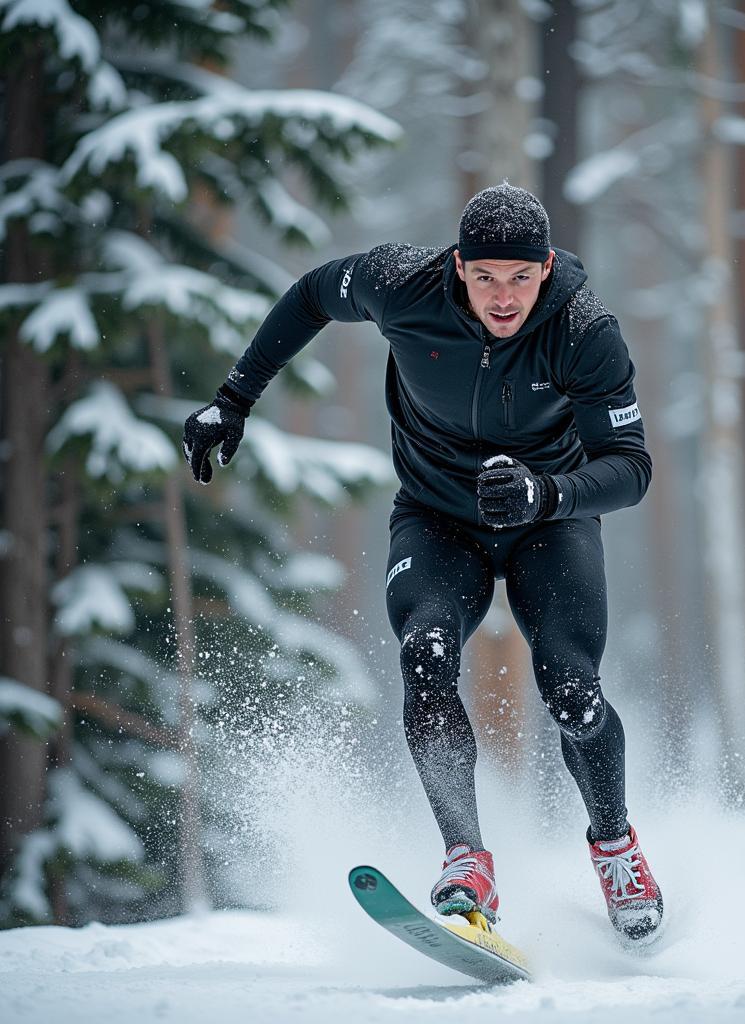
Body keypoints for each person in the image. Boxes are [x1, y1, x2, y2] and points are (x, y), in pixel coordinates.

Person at [182, 183, 664, 944]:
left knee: (572, 693)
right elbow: (312, 295)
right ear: (457, 267)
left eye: (519, 278)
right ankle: (467, 857)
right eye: (483, 278)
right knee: (426, 655)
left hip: (551, 522)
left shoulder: (583, 329)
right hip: (439, 519)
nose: (502, 298)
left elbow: (630, 467)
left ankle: (615, 847)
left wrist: (548, 492)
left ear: (546, 268)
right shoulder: (400, 283)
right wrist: (234, 397)